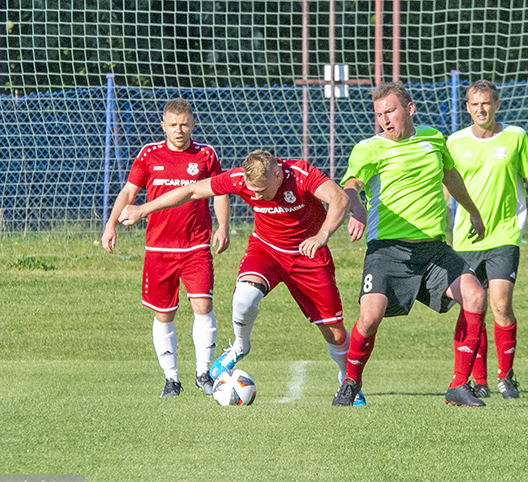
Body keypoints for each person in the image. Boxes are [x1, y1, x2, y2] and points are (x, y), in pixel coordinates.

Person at [118, 149, 366, 405]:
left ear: (278, 174)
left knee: (334, 332)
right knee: (244, 297)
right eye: (252, 190)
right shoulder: (239, 179)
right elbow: (191, 191)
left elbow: (339, 198)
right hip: (266, 250)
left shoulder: (300, 174)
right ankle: (239, 346)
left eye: (261, 190)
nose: (256, 196)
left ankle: (349, 380)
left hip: (308, 254)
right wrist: (143, 209)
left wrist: (322, 235)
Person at [335, 81, 489, 407]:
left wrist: (473, 212)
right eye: (379, 114)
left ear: (409, 109)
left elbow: (451, 178)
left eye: (390, 111)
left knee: (475, 296)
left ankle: (459, 386)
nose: (384, 120)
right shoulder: (369, 148)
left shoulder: (434, 139)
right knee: (369, 318)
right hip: (388, 250)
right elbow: (351, 184)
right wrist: (357, 209)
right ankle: (350, 383)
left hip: (433, 249)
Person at [102, 98, 230, 399]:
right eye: (172, 125)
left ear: (193, 124)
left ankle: (203, 373)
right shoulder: (149, 154)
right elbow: (129, 192)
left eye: (184, 124)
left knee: (203, 306)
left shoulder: (205, 154)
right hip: (159, 249)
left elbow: (219, 192)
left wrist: (222, 226)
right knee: (164, 314)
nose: (179, 130)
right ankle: (172, 379)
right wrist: (110, 225)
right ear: (163, 126)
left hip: (196, 245)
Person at [446, 79, 528, 399]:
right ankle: (478, 381)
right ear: (467, 108)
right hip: (466, 240)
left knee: (501, 304)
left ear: (497, 105)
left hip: (505, 234)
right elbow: (446, 187)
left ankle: (505, 376)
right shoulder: (454, 142)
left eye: (486, 103)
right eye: (474, 104)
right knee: (472, 309)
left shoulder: (516, 137)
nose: (481, 109)